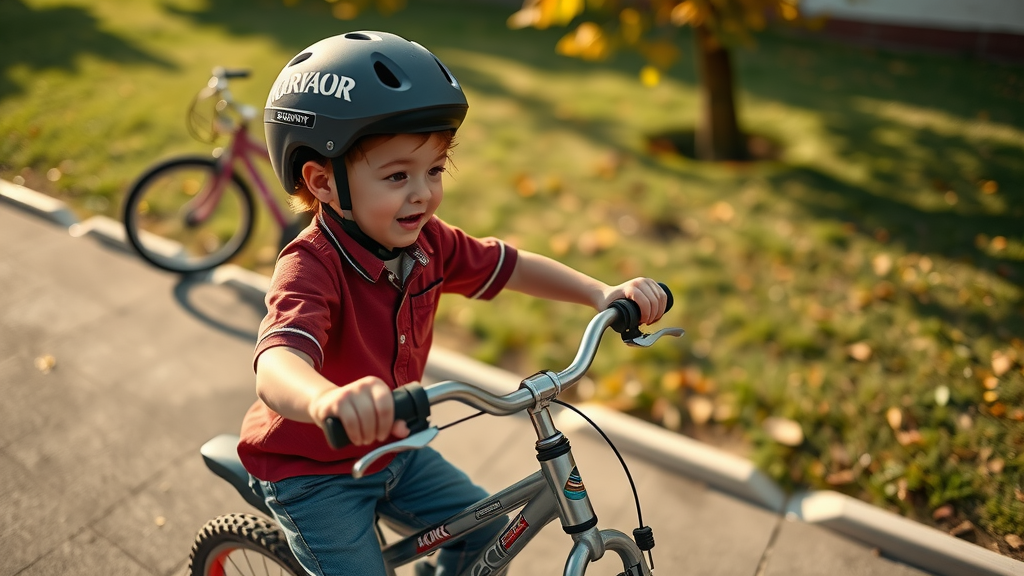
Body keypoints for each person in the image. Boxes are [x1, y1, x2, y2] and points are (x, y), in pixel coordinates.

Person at [238, 31, 669, 576]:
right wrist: (327, 402)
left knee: (488, 531)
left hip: (397, 449)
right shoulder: (310, 266)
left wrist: (598, 292)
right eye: (397, 176)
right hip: (311, 470)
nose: (423, 193)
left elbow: (508, 264)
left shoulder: (428, 242)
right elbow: (277, 363)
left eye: (434, 170)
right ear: (323, 181)